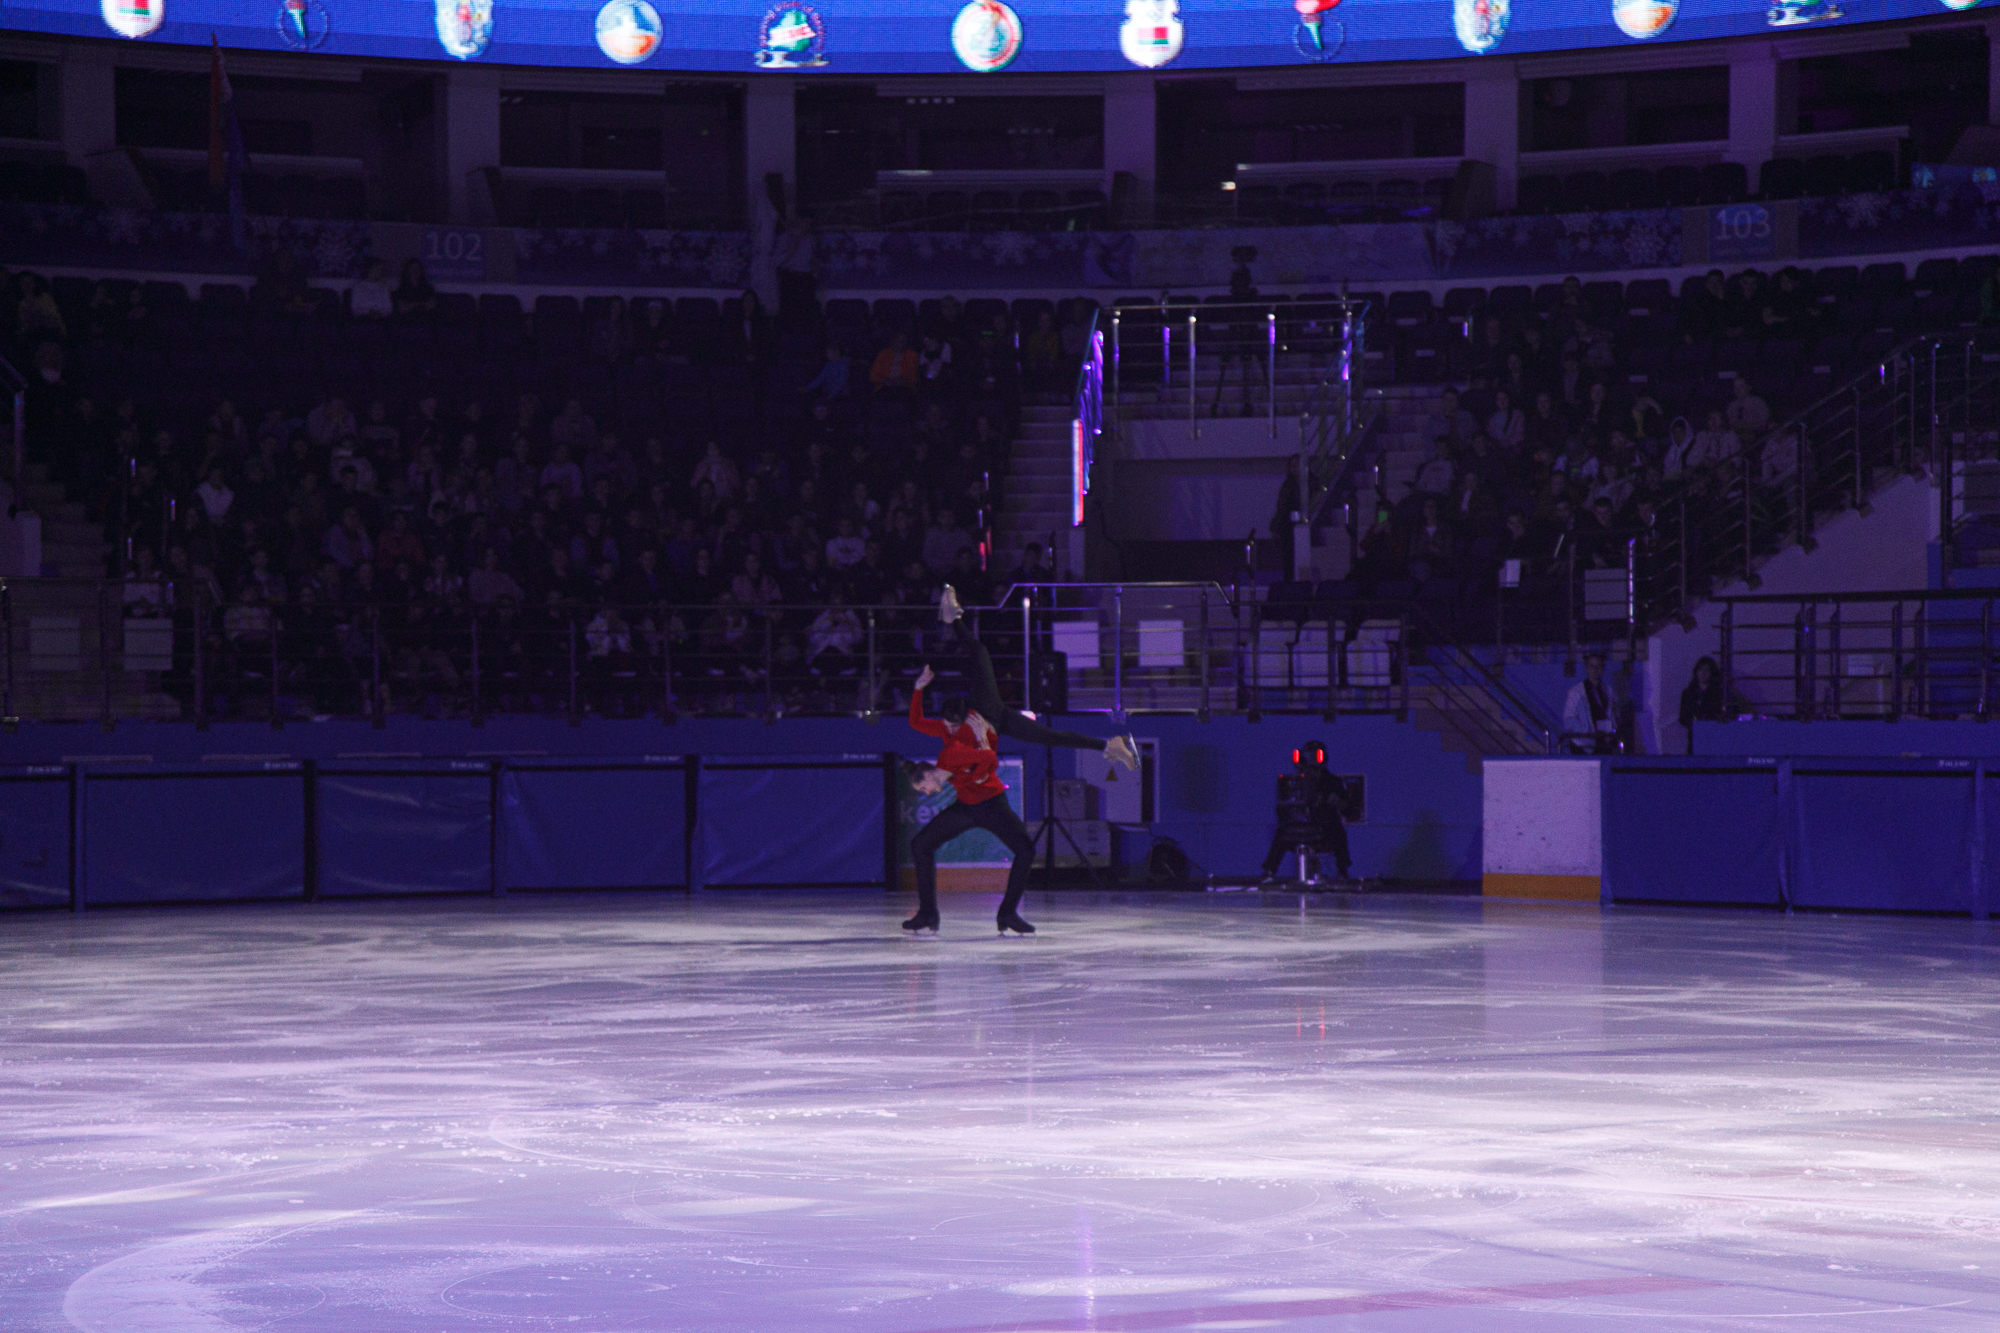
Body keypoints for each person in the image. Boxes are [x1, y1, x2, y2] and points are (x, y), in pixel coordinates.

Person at [902, 585, 1138, 936]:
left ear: (927, 774)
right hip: (970, 803)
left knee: (990, 665)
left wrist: (979, 743)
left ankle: (1109, 745)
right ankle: (928, 914)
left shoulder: (954, 741)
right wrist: (920, 690)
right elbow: (946, 739)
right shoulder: (948, 744)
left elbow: (983, 759)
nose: (927, 792)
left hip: (990, 734)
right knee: (921, 845)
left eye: (923, 787)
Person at [1259, 740, 1353, 884]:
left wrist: (1338, 802)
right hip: (1296, 827)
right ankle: (1269, 871)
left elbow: (1349, 811)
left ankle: (1342, 871)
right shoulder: (1293, 782)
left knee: (1337, 829)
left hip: (1323, 828)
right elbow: (1281, 810)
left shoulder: (1334, 782)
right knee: (1281, 831)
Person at [1562, 651, 1621, 754]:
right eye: (1592, 666)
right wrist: (1587, 732)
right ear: (1586, 668)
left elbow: (1614, 716)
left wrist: (1611, 730)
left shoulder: (1609, 692)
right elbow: (1569, 719)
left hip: (1604, 743)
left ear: (1603, 668)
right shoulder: (1576, 692)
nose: (1595, 669)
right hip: (1582, 744)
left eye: (1598, 666)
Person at [1678, 655, 1725, 755]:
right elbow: (1683, 716)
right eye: (1700, 669)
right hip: (1694, 736)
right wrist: (1694, 725)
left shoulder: (1718, 694)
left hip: (1713, 736)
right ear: (1696, 672)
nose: (1703, 673)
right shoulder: (1688, 693)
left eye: (1707, 670)